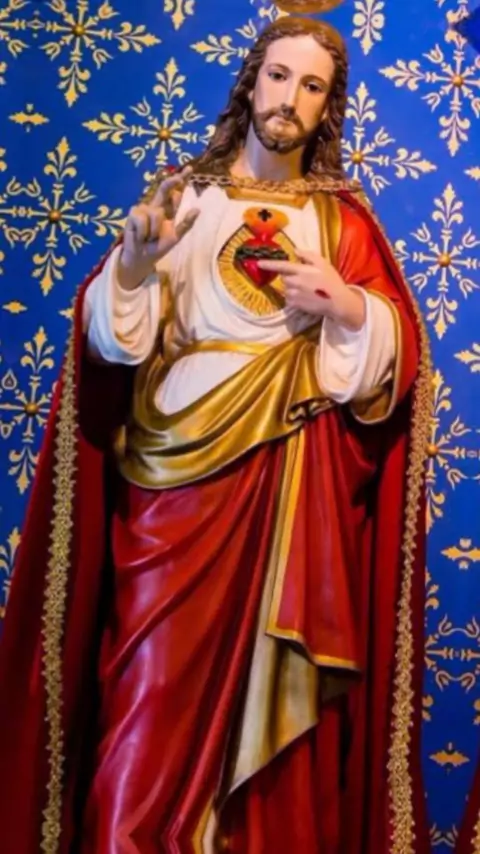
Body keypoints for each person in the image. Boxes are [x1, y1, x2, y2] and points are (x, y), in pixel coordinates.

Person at [0, 6, 432, 854]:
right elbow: (112, 341)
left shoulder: (344, 223)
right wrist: (132, 266)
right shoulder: (185, 198)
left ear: (329, 105)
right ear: (251, 82)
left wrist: (347, 307)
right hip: (172, 487)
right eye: (279, 76)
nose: (290, 99)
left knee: (275, 723)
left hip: (287, 498)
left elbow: (393, 362)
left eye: (313, 86)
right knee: (147, 698)